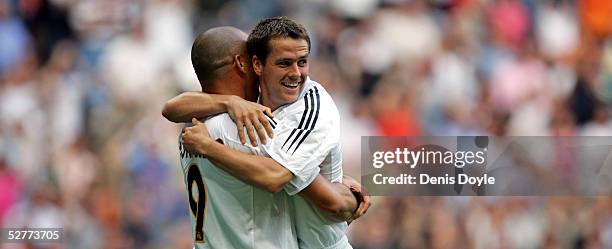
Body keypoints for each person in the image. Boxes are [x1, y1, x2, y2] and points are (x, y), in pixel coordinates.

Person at [170, 24, 368, 249]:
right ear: (244, 63)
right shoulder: (246, 127)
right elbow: (280, 177)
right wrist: (348, 196)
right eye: (283, 63)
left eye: (302, 62)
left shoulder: (192, 128)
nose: (295, 72)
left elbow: (170, 109)